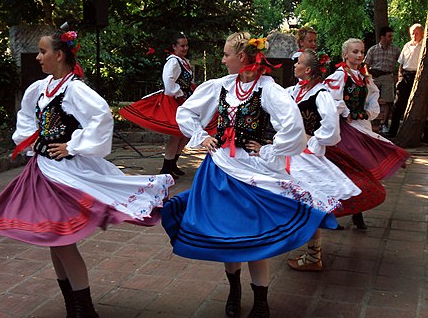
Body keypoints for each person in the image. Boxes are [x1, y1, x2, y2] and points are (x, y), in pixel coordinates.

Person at [0, 28, 174, 317]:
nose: (38, 57)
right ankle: (73, 305)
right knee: (54, 238)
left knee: (61, 240)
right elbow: (25, 117)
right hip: (41, 172)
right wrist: (32, 140)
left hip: (65, 174)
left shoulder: (74, 89)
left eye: (43, 51)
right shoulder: (39, 88)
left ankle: (84, 309)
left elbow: (100, 117)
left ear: (59, 55)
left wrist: (73, 146)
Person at [160, 32, 341, 317]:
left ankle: (261, 301)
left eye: (225, 54)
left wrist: (269, 149)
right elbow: (187, 112)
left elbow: (293, 128)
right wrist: (200, 136)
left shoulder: (268, 89)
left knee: (255, 238)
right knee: (226, 237)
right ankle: (234, 291)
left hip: (252, 171)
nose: (222, 59)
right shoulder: (220, 86)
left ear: (241, 57)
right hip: (219, 172)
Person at [284, 49, 361, 271]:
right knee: (295, 201)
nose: (294, 65)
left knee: (310, 203)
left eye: (298, 62)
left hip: (306, 159)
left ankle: (313, 256)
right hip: (289, 154)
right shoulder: (294, 91)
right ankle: (307, 251)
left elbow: (331, 130)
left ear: (307, 69)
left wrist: (312, 142)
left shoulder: (321, 94)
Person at [325, 38, 409, 228]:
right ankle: (332, 213)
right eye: (355, 52)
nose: (359, 55)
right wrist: (346, 112)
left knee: (360, 170)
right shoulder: (339, 76)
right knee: (340, 170)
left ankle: (357, 211)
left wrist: (368, 113)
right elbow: (330, 100)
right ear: (345, 54)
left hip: (360, 127)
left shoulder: (364, 77)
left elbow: (373, 97)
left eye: (361, 52)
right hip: (343, 130)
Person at [120, 32, 207, 179]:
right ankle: (167, 167)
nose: (185, 48)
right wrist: (179, 93)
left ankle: (173, 163)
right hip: (174, 100)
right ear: (174, 46)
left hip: (184, 100)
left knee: (184, 134)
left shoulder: (183, 61)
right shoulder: (173, 61)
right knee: (176, 134)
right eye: (182, 45)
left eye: (186, 45)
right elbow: (168, 83)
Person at [389, 23, 424, 137]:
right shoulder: (407, 45)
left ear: (422, 33)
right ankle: (392, 132)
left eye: (417, 32)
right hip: (405, 76)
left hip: (418, 76)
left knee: (419, 105)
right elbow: (401, 63)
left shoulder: (424, 46)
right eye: (412, 33)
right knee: (398, 104)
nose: (414, 35)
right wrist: (400, 77)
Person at [364, 26, 400, 134]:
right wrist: (367, 75)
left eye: (391, 36)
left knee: (388, 101)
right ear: (382, 37)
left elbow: (402, 62)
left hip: (388, 76)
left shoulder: (396, 50)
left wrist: (398, 75)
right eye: (389, 36)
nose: (391, 38)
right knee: (369, 98)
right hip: (374, 76)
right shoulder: (373, 49)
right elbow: (366, 64)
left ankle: (384, 124)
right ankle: (369, 121)